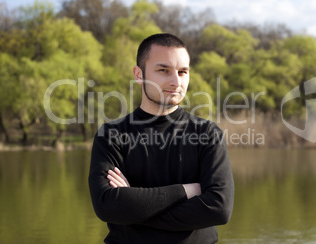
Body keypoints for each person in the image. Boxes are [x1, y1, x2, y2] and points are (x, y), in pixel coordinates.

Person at [88, 33, 234, 244]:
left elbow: (219, 209)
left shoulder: (207, 134)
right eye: (163, 70)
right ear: (139, 74)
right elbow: (107, 206)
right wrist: (185, 191)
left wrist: (134, 210)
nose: (176, 82)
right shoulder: (111, 135)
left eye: (183, 72)